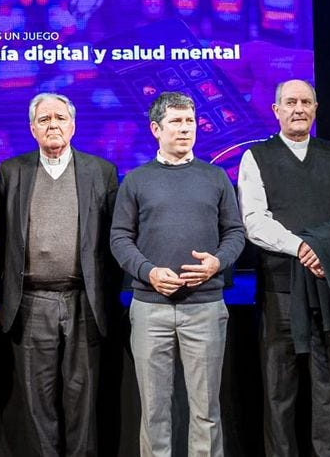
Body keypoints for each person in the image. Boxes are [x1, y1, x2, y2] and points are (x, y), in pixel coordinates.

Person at [109, 91, 246, 457]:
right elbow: (119, 238)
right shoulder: (136, 180)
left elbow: (235, 232)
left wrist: (217, 262)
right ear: (156, 128)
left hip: (205, 307)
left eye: (190, 121)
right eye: (176, 122)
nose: (186, 129)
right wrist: (148, 272)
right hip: (150, 307)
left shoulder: (216, 176)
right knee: (154, 413)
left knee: (206, 412)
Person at [236, 79, 330, 456]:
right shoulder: (256, 156)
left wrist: (322, 248)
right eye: (290, 102)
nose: (298, 109)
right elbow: (254, 221)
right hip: (281, 290)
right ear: (276, 110)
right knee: (280, 391)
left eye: (305, 102)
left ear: (315, 108)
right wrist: (302, 247)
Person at [0, 92, 120, 456]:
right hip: (30, 300)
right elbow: (1, 241)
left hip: (84, 300)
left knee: (83, 397)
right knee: (36, 399)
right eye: (44, 119)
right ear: (32, 129)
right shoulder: (11, 171)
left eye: (60, 118)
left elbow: (115, 240)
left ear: (73, 126)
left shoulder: (102, 171)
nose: (53, 125)